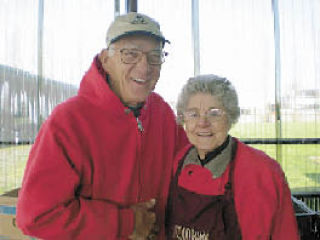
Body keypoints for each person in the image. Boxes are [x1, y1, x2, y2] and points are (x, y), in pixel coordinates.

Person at [16, 12, 188, 240]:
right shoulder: (68, 122)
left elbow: (192, 168)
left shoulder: (162, 113)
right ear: (106, 60)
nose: (145, 67)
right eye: (130, 54)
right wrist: (126, 223)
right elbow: (37, 216)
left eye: (155, 56)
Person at [165, 74, 300, 240]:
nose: (203, 123)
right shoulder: (178, 163)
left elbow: (284, 234)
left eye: (214, 113)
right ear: (183, 118)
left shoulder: (261, 172)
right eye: (193, 114)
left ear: (230, 117)